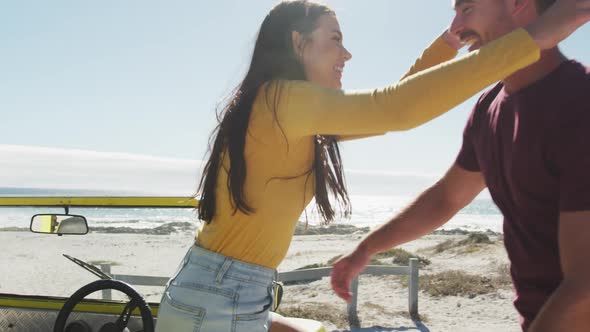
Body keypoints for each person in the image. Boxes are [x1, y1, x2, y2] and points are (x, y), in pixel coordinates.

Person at [155, 0, 590, 331]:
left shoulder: (294, 113)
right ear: (297, 42)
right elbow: (396, 109)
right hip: (218, 296)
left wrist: (448, 44)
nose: (347, 55)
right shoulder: (280, 100)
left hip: (230, 289)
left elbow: (395, 106)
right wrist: (535, 36)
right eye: (335, 39)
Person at [330, 0, 590, 331]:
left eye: (466, 9)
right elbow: (446, 198)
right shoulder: (489, 108)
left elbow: (585, 284)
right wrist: (366, 248)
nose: (455, 28)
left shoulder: (580, 103)